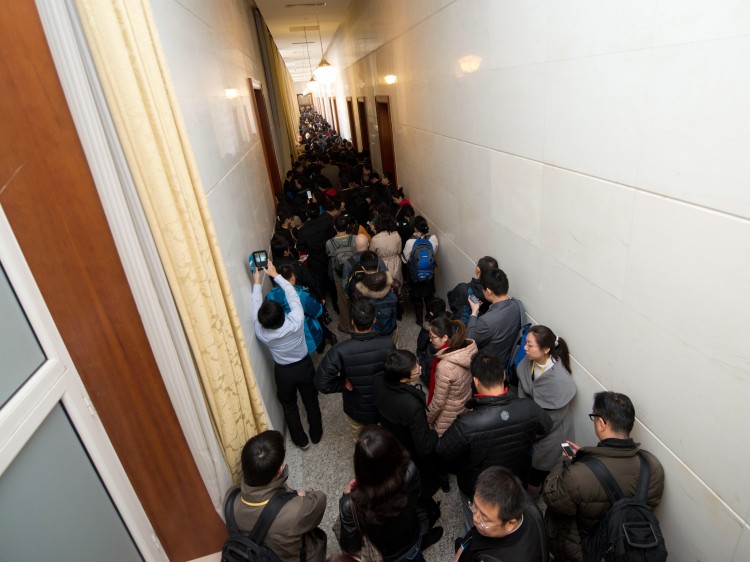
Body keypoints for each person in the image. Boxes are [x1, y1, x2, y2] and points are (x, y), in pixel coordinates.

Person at [543, 391, 665, 562]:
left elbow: (554, 498)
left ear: (601, 423)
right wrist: (587, 459)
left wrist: (565, 461)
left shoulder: (576, 475)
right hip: (629, 547)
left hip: (587, 552)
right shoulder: (652, 466)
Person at [437, 350, 552, 530]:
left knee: (476, 522)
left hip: (479, 487)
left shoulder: (467, 423)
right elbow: (547, 426)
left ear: (475, 381)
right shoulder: (529, 407)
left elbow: (442, 451)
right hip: (516, 480)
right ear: (504, 374)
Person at [337, 425, 443, 561]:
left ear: (360, 465)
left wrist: (348, 495)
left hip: (386, 555)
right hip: (411, 537)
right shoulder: (410, 470)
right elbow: (416, 498)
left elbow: (351, 547)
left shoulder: (349, 504)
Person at [252, 260, 323, 449]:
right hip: (304, 365)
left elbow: (255, 312)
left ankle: (301, 440)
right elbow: (292, 295)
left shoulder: (262, 333)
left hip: (283, 372)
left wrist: (257, 284)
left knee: (289, 406)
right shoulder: (296, 320)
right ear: (283, 314)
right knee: (310, 399)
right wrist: (275, 275)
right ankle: (316, 433)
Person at [230, 430, 326, 562]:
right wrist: (302, 496)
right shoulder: (295, 510)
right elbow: (320, 499)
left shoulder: (230, 500)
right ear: (280, 469)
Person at [315, 300, 395, 434]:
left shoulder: (340, 350)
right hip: (384, 407)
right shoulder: (388, 344)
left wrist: (342, 384)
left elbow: (321, 382)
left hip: (357, 411)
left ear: (352, 321)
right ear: (374, 320)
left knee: (362, 441)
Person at [516, 325, 576, 496]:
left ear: (546, 349)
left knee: (537, 475)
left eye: (529, 345)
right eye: (525, 343)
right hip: (531, 425)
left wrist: (524, 432)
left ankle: (531, 503)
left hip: (552, 436)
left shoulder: (560, 382)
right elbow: (522, 384)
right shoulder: (529, 362)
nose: (525, 348)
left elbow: (549, 423)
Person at [374, 350, 440, 500]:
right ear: (403, 379)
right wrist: (434, 435)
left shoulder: (378, 382)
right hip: (411, 451)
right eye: (416, 369)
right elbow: (424, 447)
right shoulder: (411, 405)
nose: (420, 368)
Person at [454, 467, 548, 562]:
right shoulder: (525, 502)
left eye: (485, 519)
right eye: (474, 507)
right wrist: (463, 547)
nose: (474, 519)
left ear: (510, 524)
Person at [425, 317, 477, 436]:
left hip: (447, 417)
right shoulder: (465, 349)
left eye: (433, 337)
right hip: (463, 406)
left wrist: (427, 419)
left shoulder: (445, 366)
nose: (430, 340)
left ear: (445, 338)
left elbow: (438, 403)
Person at [466, 268, 522, 366]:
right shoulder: (517, 305)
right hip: (506, 360)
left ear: (488, 291)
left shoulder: (485, 321)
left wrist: (474, 312)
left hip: (488, 366)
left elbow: (470, 340)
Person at [265, 264, 325, 355]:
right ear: (292, 277)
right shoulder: (301, 297)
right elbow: (317, 311)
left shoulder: (269, 297)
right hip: (306, 334)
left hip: (286, 341)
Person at [351, 251, 403, 339]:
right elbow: (401, 303)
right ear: (378, 264)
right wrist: (399, 314)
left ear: (363, 268)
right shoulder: (394, 283)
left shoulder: (358, 290)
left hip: (372, 332)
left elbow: (358, 314)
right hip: (391, 326)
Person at [402, 216, 438, 325]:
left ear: (415, 228)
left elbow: (404, 260)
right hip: (429, 274)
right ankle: (429, 317)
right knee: (429, 297)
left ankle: (419, 321)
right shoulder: (433, 238)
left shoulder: (410, 242)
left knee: (418, 299)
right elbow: (433, 254)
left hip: (416, 275)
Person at [326, 214, 356, 331]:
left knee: (343, 302)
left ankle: (346, 326)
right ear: (348, 226)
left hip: (339, 276)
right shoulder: (354, 238)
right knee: (356, 299)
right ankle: (357, 323)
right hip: (353, 274)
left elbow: (330, 256)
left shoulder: (329, 243)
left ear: (334, 227)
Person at [446, 256, 498, 323]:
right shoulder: (496, 294)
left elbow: (452, 303)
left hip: (461, 326)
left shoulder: (463, 289)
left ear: (478, 269)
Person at [415, 297, 451, 385]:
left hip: (432, 360)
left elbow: (421, 345)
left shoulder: (429, 327)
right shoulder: (453, 320)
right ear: (445, 308)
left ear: (431, 312)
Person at [369, 213, 404, 283]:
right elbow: (399, 251)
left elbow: (372, 254)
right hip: (396, 263)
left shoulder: (375, 239)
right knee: (396, 284)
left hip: (382, 264)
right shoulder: (397, 235)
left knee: (384, 285)